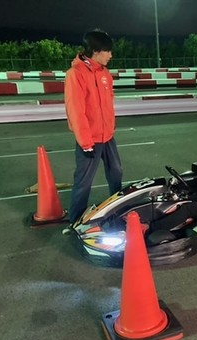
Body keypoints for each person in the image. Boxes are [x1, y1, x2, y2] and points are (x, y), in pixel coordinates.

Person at [62, 29, 123, 234]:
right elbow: (75, 110)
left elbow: (109, 104)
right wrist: (85, 141)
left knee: (116, 174)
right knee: (84, 182)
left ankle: (116, 211)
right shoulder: (76, 74)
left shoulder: (105, 74)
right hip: (89, 140)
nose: (110, 55)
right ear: (96, 51)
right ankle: (75, 222)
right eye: (108, 51)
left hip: (108, 137)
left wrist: (111, 127)